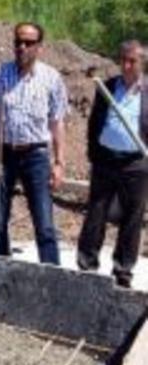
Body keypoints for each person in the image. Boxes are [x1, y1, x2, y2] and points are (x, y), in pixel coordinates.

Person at [0, 22, 68, 265]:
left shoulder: (51, 78)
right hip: (4, 153)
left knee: (44, 222)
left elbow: (57, 123)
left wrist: (59, 162)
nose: (22, 47)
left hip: (36, 155)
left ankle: (52, 275)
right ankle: (0, 270)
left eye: (29, 43)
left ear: (39, 47)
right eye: (18, 42)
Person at [77, 40, 148, 288]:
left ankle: (123, 269)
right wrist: (93, 153)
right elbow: (95, 122)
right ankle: (87, 264)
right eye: (124, 60)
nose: (127, 66)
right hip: (106, 160)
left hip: (136, 164)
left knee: (132, 217)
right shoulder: (107, 87)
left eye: (133, 61)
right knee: (96, 212)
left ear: (142, 63)